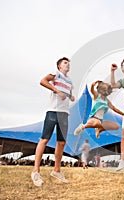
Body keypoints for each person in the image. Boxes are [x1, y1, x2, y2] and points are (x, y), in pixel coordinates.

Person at [31, 57, 75, 186]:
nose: (68, 65)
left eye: (68, 63)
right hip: (53, 111)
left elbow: (69, 94)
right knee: (44, 139)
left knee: (61, 143)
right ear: (59, 66)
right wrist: (56, 90)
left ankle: (57, 170)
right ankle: (35, 171)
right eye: (65, 63)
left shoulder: (70, 81)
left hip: (64, 114)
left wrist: (71, 96)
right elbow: (43, 81)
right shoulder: (56, 74)